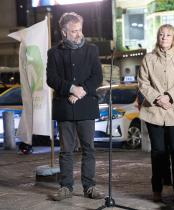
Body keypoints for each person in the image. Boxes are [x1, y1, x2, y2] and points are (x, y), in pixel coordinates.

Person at [46, 12, 103, 201]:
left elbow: (97, 76)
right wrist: (70, 88)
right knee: (66, 150)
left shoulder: (92, 50)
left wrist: (81, 91)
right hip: (64, 107)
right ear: (64, 32)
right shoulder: (54, 53)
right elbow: (51, 79)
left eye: (79, 30)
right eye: (73, 31)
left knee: (89, 149)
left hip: (86, 106)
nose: (78, 34)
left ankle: (89, 186)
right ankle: (66, 187)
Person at [138, 24, 174, 202]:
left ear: (173, 38)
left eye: (168, 35)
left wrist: (169, 96)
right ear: (157, 37)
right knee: (158, 152)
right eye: (161, 35)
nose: (164, 38)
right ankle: (157, 188)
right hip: (153, 111)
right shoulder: (149, 58)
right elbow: (143, 83)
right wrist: (158, 98)